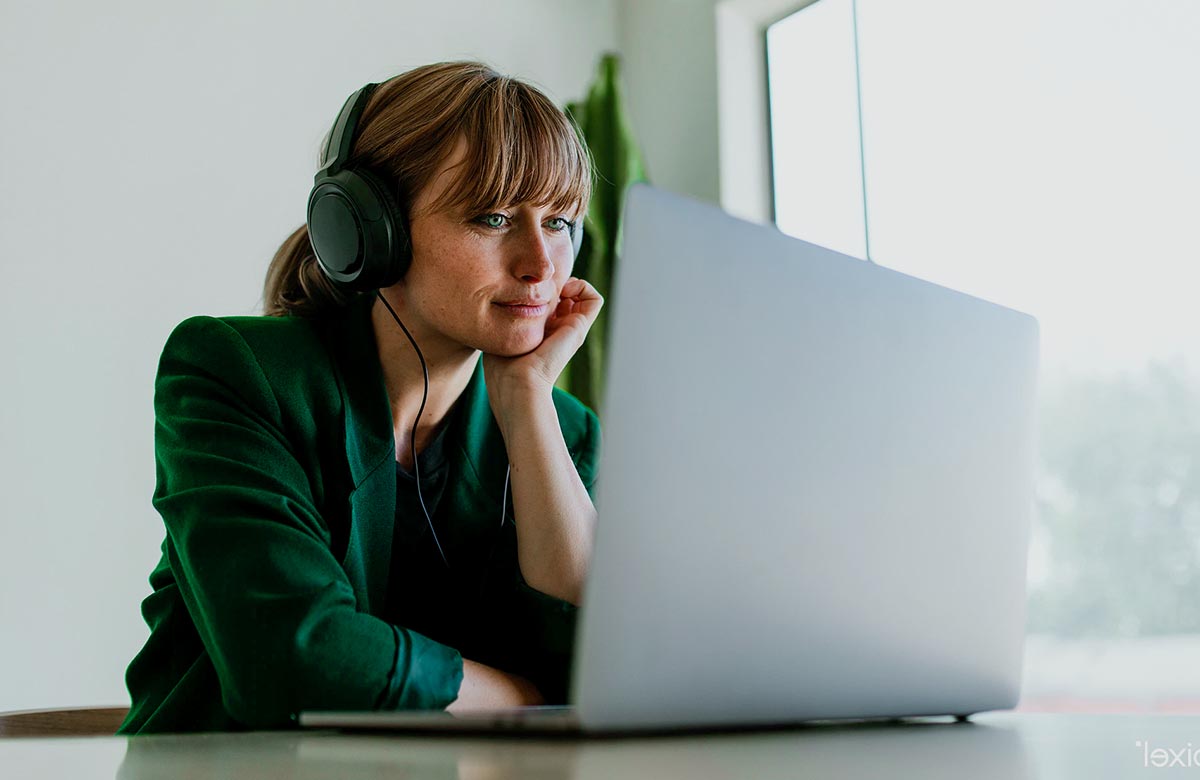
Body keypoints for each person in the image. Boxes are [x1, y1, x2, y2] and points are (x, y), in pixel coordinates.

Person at [118, 61, 604, 734]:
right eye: (492, 217)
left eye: (559, 222)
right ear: (370, 228)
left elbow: (608, 664)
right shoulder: (237, 375)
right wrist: (520, 697)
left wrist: (526, 401)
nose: (540, 265)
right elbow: (297, 659)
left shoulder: (562, 430)